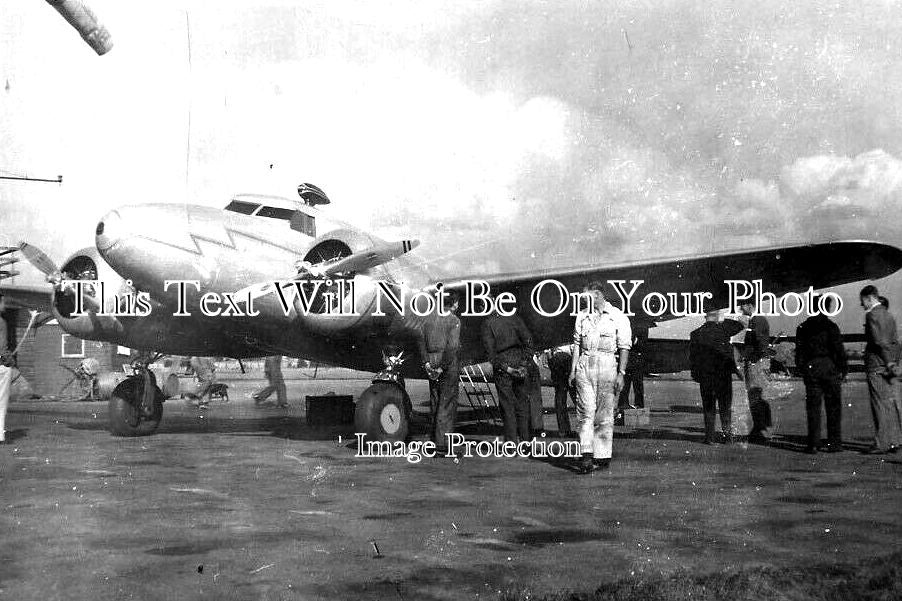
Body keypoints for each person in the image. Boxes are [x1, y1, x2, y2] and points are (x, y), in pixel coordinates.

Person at [569, 282, 631, 474]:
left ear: (597, 295)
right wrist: (573, 370)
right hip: (585, 364)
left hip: (607, 365)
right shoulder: (581, 316)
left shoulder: (618, 316)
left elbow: (624, 347)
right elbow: (577, 344)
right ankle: (586, 455)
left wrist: (621, 373)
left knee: (604, 414)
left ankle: (602, 455)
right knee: (585, 411)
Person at [795, 296, 846, 454]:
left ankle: (813, 444)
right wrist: (843, 369)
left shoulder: (802, 327)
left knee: (813, 408)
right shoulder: (831, 327)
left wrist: (803, 368)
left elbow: (799, 353)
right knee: (833, 407)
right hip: (829, 367)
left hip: (811, 367)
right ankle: (834, 443)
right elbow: (839, 350)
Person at [482, 303, 536, 444]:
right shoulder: (515, 318)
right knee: (523, 405)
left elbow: (491, 355)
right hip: (520, 361)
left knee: (507, 406)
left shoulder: (488, 323)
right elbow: (529, 342)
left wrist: (507, 369)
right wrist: (524, 364)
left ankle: (511, 445)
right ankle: (526, 443)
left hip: (502, 366)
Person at [689, 309, 744, 445]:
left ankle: (710, 438)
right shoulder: (723, 329)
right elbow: (740, 325)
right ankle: (727, 436)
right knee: (725, 406)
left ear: (705, 316)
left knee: (709, 407)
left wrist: (696, 375)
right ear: (717, 317)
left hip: (706, 377)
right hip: (722, 375)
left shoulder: (695, 334)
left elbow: (693, 358)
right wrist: (723, 319)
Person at [860, 285, 902, 454]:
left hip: (877, 364)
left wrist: (887, 362)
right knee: (891, 403)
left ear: (870, 297)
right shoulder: (889, 315)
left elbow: (879, 341)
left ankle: (882, 442)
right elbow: (894, 342)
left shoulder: (872, 315)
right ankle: (895, 440)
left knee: (879, 404)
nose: (862, 305)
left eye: (862, 300)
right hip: (890, 363)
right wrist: (894, 362)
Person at [418, 291, 461, 452]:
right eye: (457, 302)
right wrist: (443, 366)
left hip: (431, 359)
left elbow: (420, 340)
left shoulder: (427, 319)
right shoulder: (454, 320)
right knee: (447, 404)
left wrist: (427, 363)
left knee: (435, 402)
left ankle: (433, 441)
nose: (458, 305)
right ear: (453, 304)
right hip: (447, 363)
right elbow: (452, 347)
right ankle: (442, 446)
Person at [740, 301, 772, 443]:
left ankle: (760, 430)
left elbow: (759, 343)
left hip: (756, 364)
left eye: (742, 306)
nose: (740, 309)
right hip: (757, 362)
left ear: (750, 306)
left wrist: (751, 359)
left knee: (754, 395)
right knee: (756, 395)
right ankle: (759, 428)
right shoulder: (757, 320)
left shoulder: (757, 320)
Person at [618, 321, 648, 411]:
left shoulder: (642, 327)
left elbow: (643, 344)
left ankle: (637, 405)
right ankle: (624, 404)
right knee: (627, 386)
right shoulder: (641, 326)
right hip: (631, 360)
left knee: (636, 385)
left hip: (635, 360)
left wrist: (634, 340)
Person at [546, 345, 576, 437]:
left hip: (559, 360)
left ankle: (563, 429)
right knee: (574, 395)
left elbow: (548, 351)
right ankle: (584, 427)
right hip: (567, 360)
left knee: (560, 396)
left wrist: (551, 361)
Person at [0, 293, 12, 444]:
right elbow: (2, 346)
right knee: (1, 401)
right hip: (1, 365)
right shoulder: (1, 322)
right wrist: (9, 359)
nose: (4, 305)